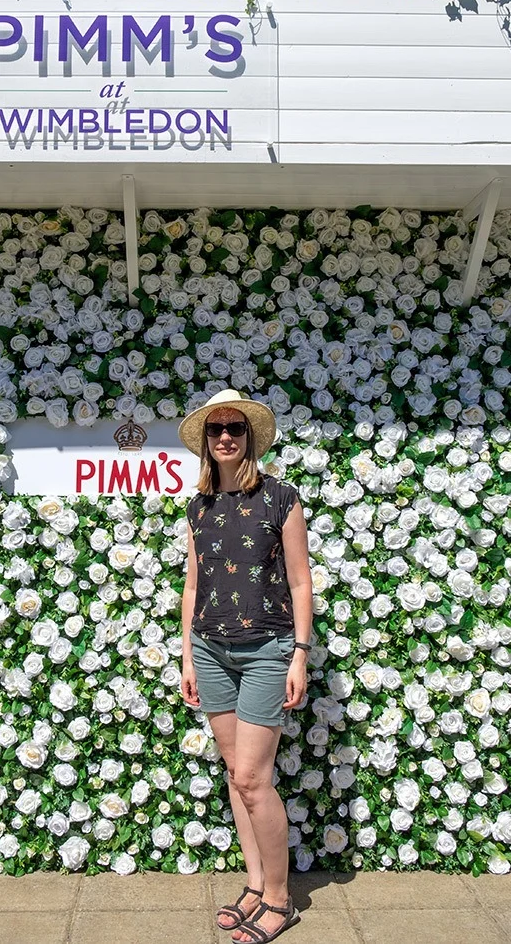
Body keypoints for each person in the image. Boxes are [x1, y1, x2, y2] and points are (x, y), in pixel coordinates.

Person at [179, 390, 313, 944]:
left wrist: (300, 653)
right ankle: (257, 883)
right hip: (210, 650)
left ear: (250, 435)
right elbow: (192, 585)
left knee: (255, 779)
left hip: (266, 651)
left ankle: (280, 901)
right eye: (216, 429)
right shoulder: (198, 507)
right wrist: (187, 654)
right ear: (206, 442)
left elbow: (303, 581)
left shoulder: (281, 499)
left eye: (235, 427)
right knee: (237, 776)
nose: (226, 436)